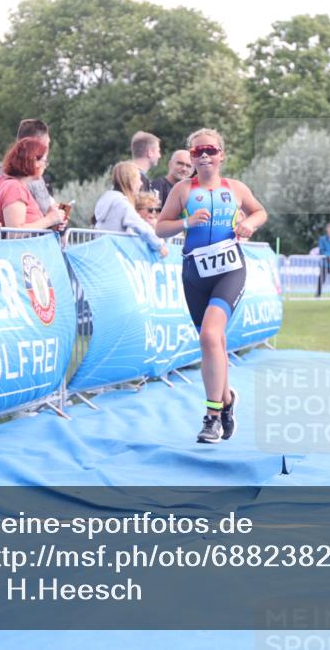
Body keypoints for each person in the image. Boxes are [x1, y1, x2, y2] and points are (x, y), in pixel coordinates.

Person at [155, 128, 267, 444]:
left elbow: (260, 211)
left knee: (209, 334)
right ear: (191, 157)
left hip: (230, 270)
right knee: (212, 342)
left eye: (210, 150)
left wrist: (249, 224)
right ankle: (228, 400)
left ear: (221, 155)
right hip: (195, 273)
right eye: (197, 151)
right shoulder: (181, 190)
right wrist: (186, 223)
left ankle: (213, 417)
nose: (204, 156)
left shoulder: (236, 188)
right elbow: (160, 228)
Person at [0, 137, 67, 232]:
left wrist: (51, 219)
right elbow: (15, 232)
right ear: (33, 161)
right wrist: (49, 220)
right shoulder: (15, 188)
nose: (46, 165)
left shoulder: (14, 185)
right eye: (45, 161)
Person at [94, 161, 167, 256]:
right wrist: (160, 245)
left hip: (103, 252)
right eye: (139, 179)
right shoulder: (121, 203)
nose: (141, 184)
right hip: (113, 254)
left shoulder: (110, 200)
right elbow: (141, 226)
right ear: (130, 181)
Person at [16, 119, 54, 213]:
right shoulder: (17, 183)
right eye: (47, 144)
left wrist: (55, 218)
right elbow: (17, 227)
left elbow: (44, 211)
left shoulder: (37, 176)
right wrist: (50, 219)